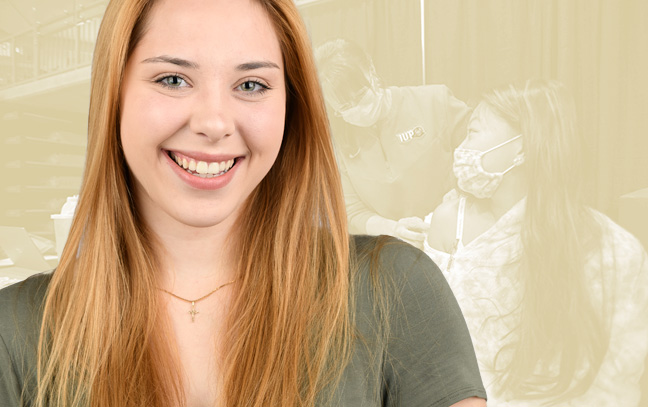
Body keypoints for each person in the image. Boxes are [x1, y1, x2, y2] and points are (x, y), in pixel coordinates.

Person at [0, 0, 487, 406]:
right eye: (172, 79)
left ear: (290, 111)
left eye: (251, 85)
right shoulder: (16, 334)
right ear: (116, 95)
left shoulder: (398, 294)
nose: (214, 122)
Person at [424, 79, 648, 406]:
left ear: (523, 146)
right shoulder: (448, 223)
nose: (462, 148)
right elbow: (432, 348)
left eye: (473, 133)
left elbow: (617, 377)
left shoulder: (611, 249)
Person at [315, 39, 471, 248]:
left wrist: (450, 209)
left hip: (454, 233)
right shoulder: (341, 142)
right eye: (344, 106)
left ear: (371, 72)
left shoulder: (434, 101)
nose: (357, 109)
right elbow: (351, 211)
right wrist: (392, 229)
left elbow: (480, 160)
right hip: (393, 246)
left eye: (360, 95)